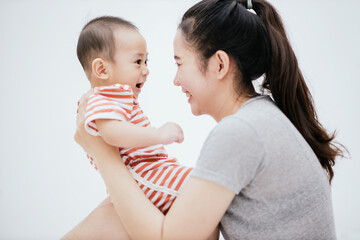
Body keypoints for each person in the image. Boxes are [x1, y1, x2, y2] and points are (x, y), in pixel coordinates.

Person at [66, 0, 346, 239]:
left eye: (179, 63)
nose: (175, 80)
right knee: (117, 212)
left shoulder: (242, 132)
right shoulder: (263, 118)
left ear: (219, 64)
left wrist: (103, 154)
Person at [76, 16, 192, 216]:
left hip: (153, 172)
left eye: (146, 61)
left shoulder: (116, 98)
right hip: (142, 178)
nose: (146, 70)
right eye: (138, 61)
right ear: (102, 69)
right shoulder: (100, 98)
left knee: (202, 185)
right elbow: (112, 133)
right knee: (201, 187)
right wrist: (157, 135)